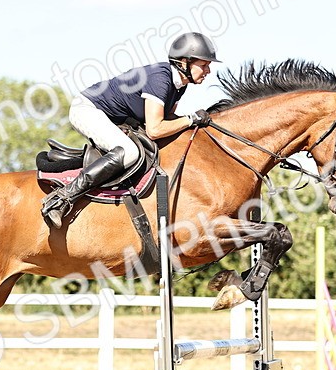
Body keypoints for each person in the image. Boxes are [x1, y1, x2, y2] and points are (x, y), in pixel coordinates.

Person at [41, 32, 221, 228]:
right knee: (129, 152)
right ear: (184, 62)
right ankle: (60, 200)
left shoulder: (179, 85)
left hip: (114, 118)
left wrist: (194, 124)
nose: (208, 71)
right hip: (86, 109)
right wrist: (191, 119)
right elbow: (154, 129)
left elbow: (168, 119)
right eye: (204, 65)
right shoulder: (161, 79)